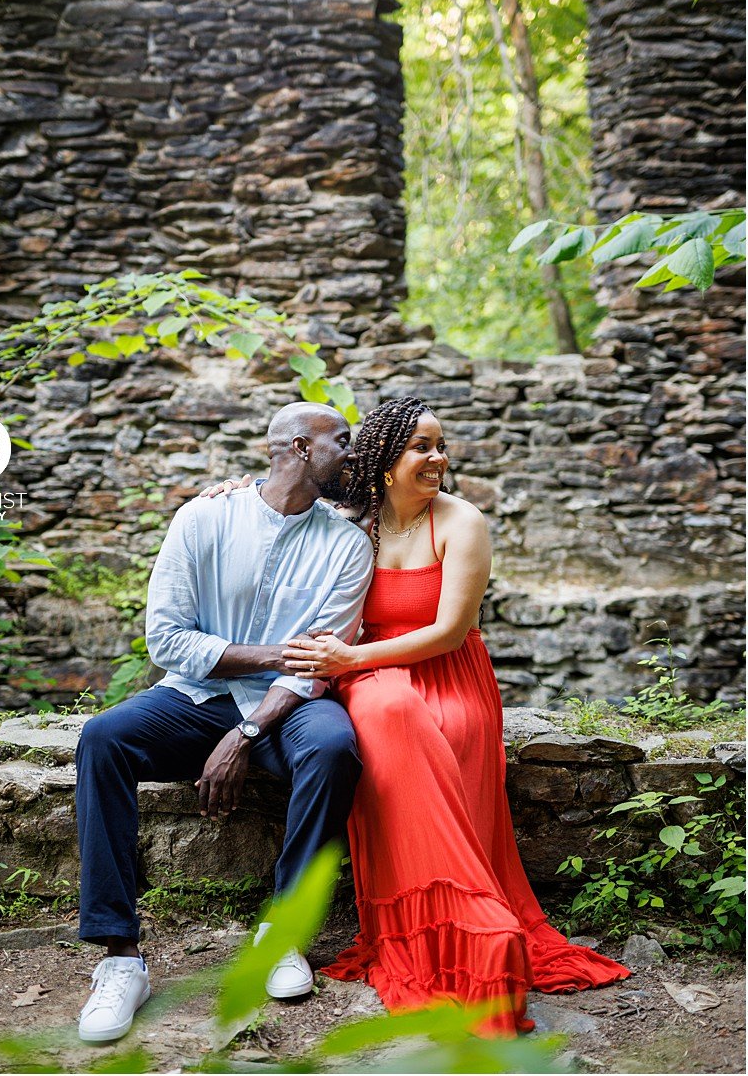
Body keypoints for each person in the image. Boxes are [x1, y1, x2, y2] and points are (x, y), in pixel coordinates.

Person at [209, 397, 629, 1035]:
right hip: (374, 678)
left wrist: (349, 656)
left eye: (441, 446)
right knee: (387, 706)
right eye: (421, 448)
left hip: (447, 676)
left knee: (411, 713)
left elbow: (450, 633)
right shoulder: (351, 518)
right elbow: (277, 500)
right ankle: (456, 927)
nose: (438, 459)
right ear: (382, 462)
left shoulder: (462, 522)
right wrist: (235, 488)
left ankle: (474, 917)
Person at [71, 403, 374, 1044]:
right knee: (102, 738)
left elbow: (315, 664)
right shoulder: (203, 518)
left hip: (285, 707)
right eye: (341, 440)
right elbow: (167, 639)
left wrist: (248, 733)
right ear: (298, 446)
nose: (352, 452)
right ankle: (121, 959)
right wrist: (265, 653)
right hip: (194, 696)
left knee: (334, 745)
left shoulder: (347, 544)